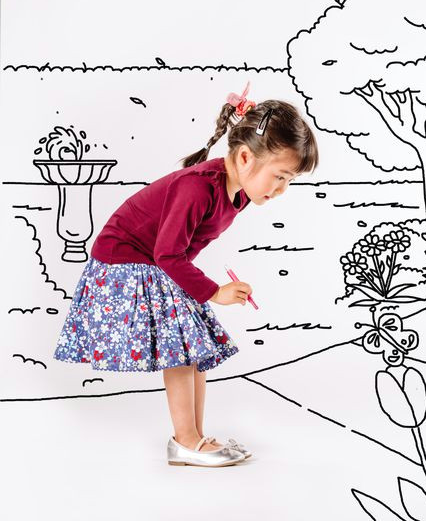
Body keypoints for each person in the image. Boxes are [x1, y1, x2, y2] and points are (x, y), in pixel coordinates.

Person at [53, 83, 319, 467]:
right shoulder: (197, 189)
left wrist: (198, 289)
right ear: (245, 157)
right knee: (181, 349)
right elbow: (167, 253)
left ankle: (194, 437)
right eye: (280, 176)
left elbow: (182, 248)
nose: (281, 189)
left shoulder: (237, 195)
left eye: (289, 180)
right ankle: (187, 440)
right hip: (125, 262)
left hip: (156, 262)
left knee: (193, 348)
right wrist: (213, 292)